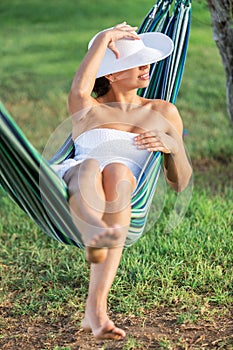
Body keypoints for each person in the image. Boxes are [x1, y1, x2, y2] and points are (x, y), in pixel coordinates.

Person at [54, 22, 192, 340]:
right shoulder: (87, 109)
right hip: (78, 184)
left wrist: (173, 147)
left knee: (117, 171)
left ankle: (96, 309)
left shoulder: (164, 111)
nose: (147, 66)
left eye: (146, 59)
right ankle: (93, 228)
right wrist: (103, 39)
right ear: (112, 74)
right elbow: (78, 88)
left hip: (123, 191)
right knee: (89, 166)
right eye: (136, 61)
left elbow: (180, 183)